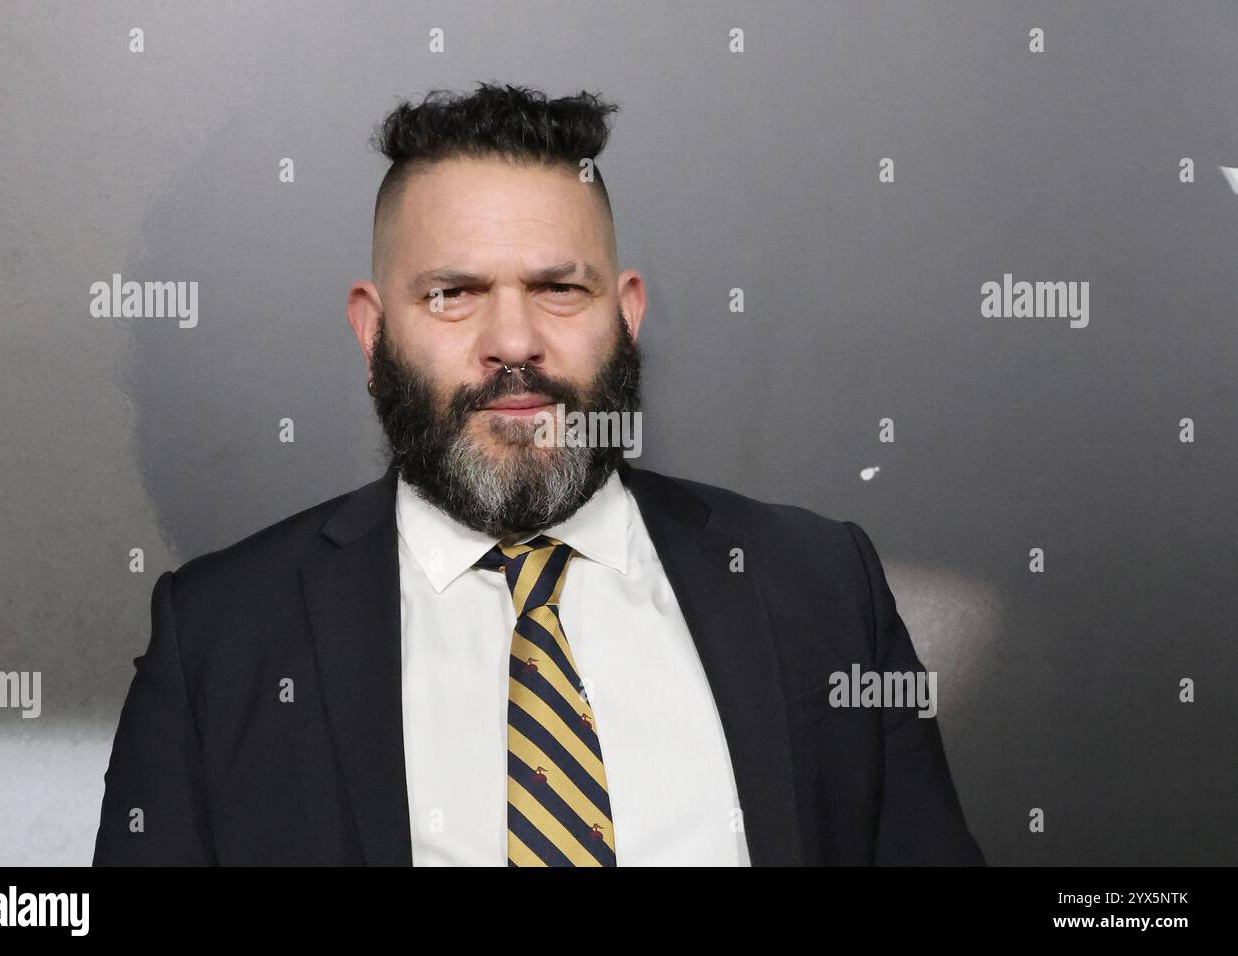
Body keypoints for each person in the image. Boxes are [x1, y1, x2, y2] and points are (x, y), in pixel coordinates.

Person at [93, 82, 984, 866]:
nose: (513, 344)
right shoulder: (218, 637)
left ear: (626, 317)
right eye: (453, 293)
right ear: (373, 334)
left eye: (560, 289)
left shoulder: (820, 587)